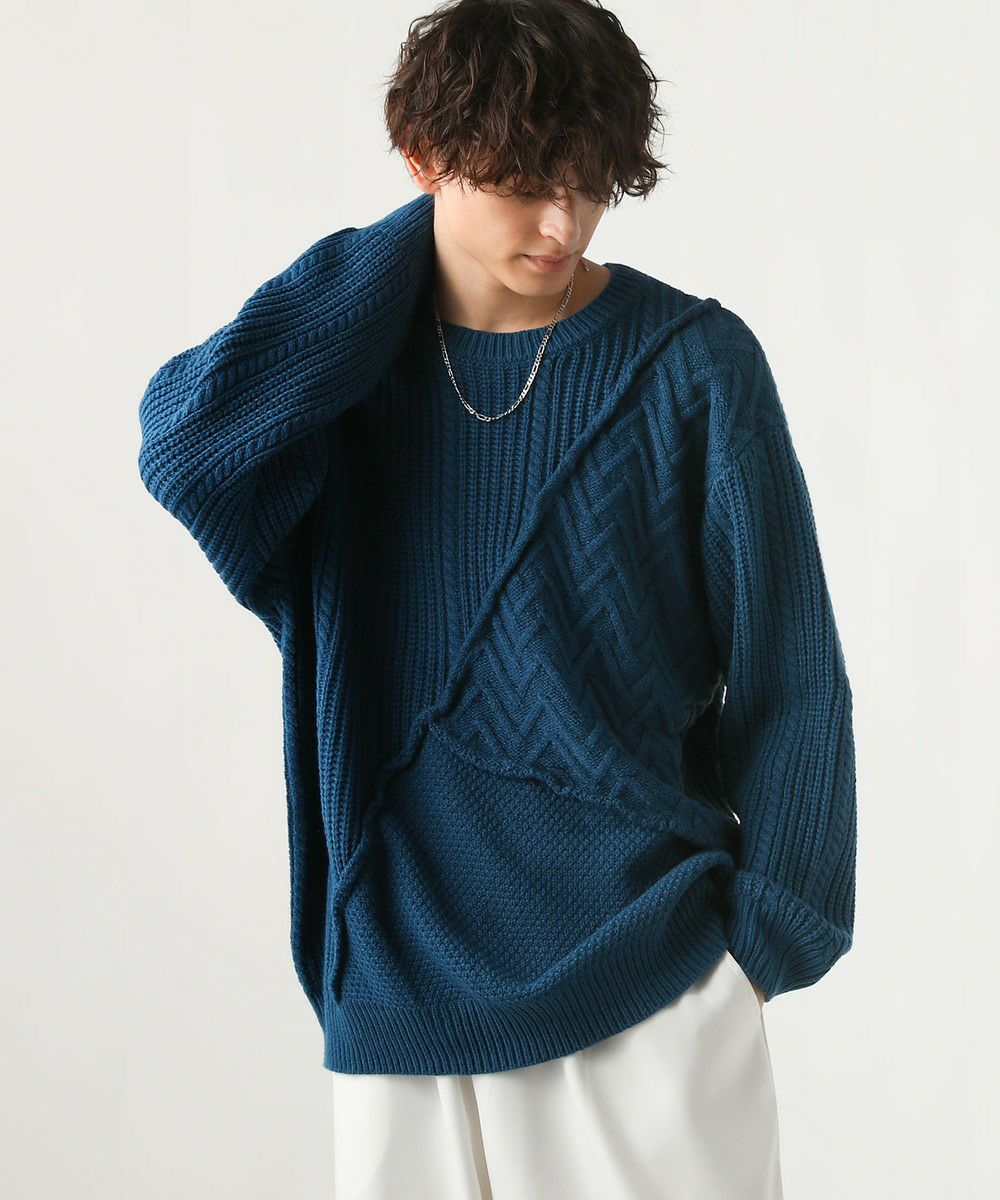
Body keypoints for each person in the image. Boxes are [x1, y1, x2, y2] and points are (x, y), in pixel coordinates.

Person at [137, 1, 856, 1195]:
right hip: (398, 987)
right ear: (422, 157)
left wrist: (766, 938)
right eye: (523, 185)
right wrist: (397, 262)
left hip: (649, 981)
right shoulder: (343, 390)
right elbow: (187, 446)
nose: (562, 223)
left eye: (591, 183)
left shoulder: (692, 367)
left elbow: (790, 673)